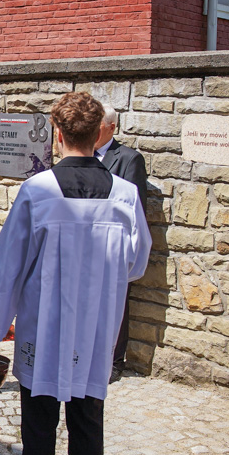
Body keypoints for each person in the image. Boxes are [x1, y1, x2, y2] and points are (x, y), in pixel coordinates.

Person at [0, 92, 151, 455]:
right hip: (95, 329)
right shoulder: (124, 195)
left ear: (57, 134)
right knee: (87, 425)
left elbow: (7, 263)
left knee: (39, 431)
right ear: (99, 133)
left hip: (43, 329)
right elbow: (136, 263)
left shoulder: (38, 190)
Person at [95, 104, 148, 383]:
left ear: (112, 127)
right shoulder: (83, 156)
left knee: (116, 306)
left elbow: (136, 210)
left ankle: (114, 361)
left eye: (98, 124)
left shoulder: (129, 159)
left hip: (114, 245)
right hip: (86, 245)